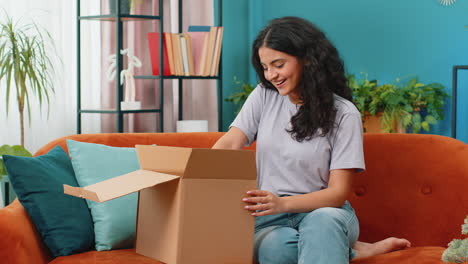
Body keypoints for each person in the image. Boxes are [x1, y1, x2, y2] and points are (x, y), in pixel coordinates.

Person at [212, 16, 410, 264]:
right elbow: (231, 141)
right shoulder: (264, 96)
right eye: (265, 67)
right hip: (269, 218)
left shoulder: (344, 113)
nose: (271, 74)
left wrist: (283, 204)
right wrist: (197, 171)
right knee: (277, 248)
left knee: (324, 224)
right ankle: (353, 252)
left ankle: (340, 243)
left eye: (278, 64)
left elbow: (337, 193)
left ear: (307, 59)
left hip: (324, 211)